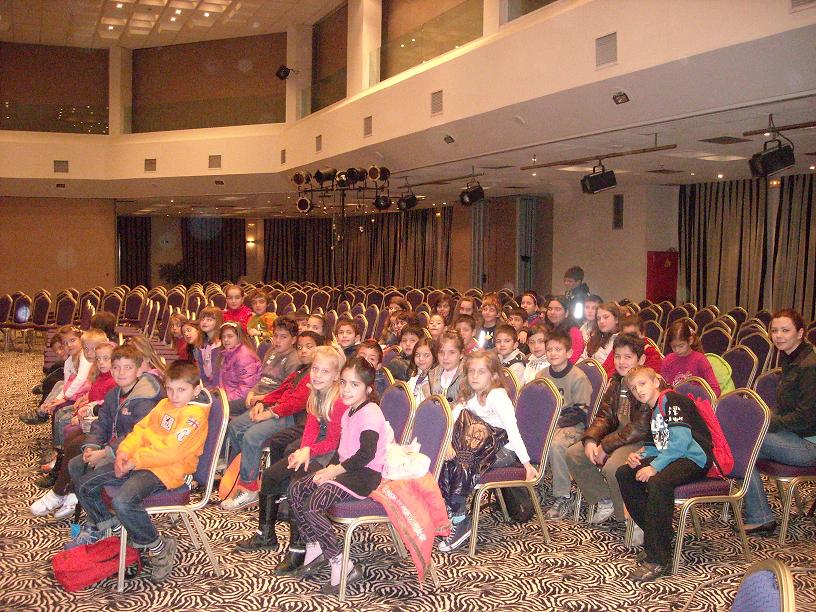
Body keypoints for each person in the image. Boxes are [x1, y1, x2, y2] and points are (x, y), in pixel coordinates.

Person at [69, 360, 211, 583]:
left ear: (196, 390)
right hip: (140, 461)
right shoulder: (164, 404)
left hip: (167, 470)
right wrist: (124, 452)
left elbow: (171, 451)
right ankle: (119, 530)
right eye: (170, 389)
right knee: (84, 485)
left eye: (181, 390)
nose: (174, 395)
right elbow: (141, 431)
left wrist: (134, 462)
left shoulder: (194, 417)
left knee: (123, 502)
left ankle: (159, 548)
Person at [287, 357, 393, 594]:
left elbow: (366, 454)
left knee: (313, 504)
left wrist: (334, 471)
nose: (346, 389)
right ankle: (314, 546)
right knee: (296, 489)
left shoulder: (371, 413)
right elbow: (342, 450)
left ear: (368, 389)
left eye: (354, 385)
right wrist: (328, 469)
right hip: (348, 469)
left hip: (365, 474)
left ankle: (342, 564)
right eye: (343, 382)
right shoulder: (349, 412)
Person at [235, 345, 348, 568]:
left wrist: (308, 451)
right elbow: (311, 431)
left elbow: (334, 442)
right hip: (318, 448)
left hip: (336, 456)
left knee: (298, 483)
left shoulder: (339, 402)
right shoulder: (315, 394)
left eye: (325, 371)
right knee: (270, 475)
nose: (317, 375)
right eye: (315, 369)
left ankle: (299, 549)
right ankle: (265, 535)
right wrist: (303, 449)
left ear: (336, 376)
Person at [616, 366, 712, 581]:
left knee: (658, 481)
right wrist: (638, 456)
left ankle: (659, 558)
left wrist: (654, 467)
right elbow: (655, 446)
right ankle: (658, 535)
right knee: (625, 473)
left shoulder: (672, 401)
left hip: (694, 458)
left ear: (656, 382)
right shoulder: (654, 410)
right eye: (634, 388)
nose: (638, 390)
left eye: (642, 384)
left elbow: (681, 443)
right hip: (675, 456)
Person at [437, 350, 537, 551]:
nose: (474, 376)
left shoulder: (497, 396)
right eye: (471, 371)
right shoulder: (469, 395)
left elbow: (512, 430)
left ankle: (461, 522)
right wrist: (447, 445)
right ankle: (451, 511)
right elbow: (450, 421)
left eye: (481, 372)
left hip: (503, 450)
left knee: (464, 464)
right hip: (478, 445)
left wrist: (526, 464)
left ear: (493, 376)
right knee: (446, 458)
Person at [220, 331, 321, 511]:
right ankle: (241, 474)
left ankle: (249, 488)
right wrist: (263, 402)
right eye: (300, 347)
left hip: (293, 417)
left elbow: (296, 403)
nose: (303, 351)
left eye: (309, 347)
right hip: (278, 410)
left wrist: (270, 412)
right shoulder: (300, 370)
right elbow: (281, 391)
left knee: (251, 436)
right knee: (235, 426)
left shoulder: (316, 374)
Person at [565, 334, 651, 532]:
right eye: (617, 356)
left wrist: (606, 445)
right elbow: (604, 417)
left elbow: (640, 427)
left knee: (613, 467)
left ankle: (631, 518)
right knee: (574, 453)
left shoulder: (647, 384)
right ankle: (605, 499)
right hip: (617, 437)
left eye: (628, 357)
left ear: (641, 359)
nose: (621, 362)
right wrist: (591, 439)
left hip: (640, 441)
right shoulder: (616, 383)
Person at [741, 309, 816, 534]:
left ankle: (761, 517)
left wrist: (767, 422)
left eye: (785, 330)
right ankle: (761, 516)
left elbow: (806, 417)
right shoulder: (791, 358)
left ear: (800, 333)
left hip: (809, 443)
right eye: (774, 330)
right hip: (793, 436)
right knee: (743, 448)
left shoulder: (809, 365)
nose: (778, 336)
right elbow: (788, 409)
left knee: (743, 443)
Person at [29, 340, 120, 520]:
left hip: (109, 431)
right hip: (99, 424)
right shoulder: (101, 377)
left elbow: (107, 407)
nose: (101, 362)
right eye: (99, 359)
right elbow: (97, 401)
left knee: (76, 444)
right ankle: (67, 491)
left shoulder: (115, 381)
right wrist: (85, 407)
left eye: (106, 359)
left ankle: (61, 493)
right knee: (71, 438)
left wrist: (87, 410)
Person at [538, 330, 592, 519]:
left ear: (569, 353)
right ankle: (533, 484)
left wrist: (555, 424)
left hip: (573, 425)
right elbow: (537, 405)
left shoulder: (578, 377)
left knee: (555, 444)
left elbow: (581, 411)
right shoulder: (541, 375)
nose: (553, 353)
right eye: (549, 350)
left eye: (558, 349)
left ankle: (564, 495)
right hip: (549, 422)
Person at [245, 317, 301, 413]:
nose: (278, 340)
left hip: (270, 403)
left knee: (236, 422)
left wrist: (263, 398)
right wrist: (251, 392)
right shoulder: (271, 351)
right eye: (275, 336)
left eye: (283, 337)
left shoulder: (294, 361)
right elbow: (261, 378)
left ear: (293, 340)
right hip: (256, 395)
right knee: (225, 407)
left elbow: (286, 392)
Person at [661, 320, 720, 395]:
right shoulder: (668, 359)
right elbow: (663, 386)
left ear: (690, 341)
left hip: (694, 399)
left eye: (681, 346)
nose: (677, 350)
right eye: (673, 347)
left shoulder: (700, 360)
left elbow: (715, 390)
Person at [217, 321, 262, 417]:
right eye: (223, 337)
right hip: (228, 395)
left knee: (212, 409)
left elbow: (246, 388)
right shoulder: (228, 353)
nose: (226, 340)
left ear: (239, 337)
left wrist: (225, 400)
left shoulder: (244, 356)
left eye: (230, 336)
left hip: (241, 400)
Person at [428, 330, 465, 404]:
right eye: (441, 352)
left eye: (451, 352)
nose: (445, 357)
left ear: (461, 354)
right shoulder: (432, 373)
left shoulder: (466, 377)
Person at [545, 295, 585, 364]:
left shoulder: (573, 331)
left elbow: (574, 356)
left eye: (557, 309)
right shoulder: (547, 328)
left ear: (566, 313)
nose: (552, 312)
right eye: (550, 309)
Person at [195, 307, 224, 388]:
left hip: (219, 387)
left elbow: (218, 374)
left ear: (218, 322)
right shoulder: (202, 344)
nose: (204, 322)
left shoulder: (221, 345)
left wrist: (210, 389)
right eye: (202, 319)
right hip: (207, 385)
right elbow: (201, 371)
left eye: (209, 320)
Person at [406, 337, 437, 405]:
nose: (421, 358)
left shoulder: (436, 381)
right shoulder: (414, 374)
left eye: (426, 355)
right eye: (417, 355)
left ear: (435, 356)